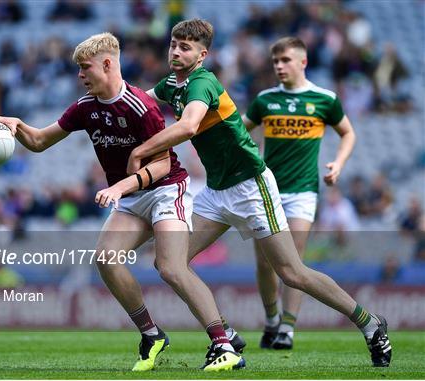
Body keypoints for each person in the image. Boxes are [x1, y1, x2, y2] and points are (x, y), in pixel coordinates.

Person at [127, 19, 391, 367]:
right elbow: (138, 102)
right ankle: (222, 334)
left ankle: (370, 325)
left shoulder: (203, 83)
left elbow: (189, 126)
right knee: (169, 263)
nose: (176, 51)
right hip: (216, 191)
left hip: (250, 186)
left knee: (292, 273)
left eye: (186, 47)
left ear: (202, 54)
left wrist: (139, 151)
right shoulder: (171, 84)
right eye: (174, 44)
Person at [0, 32, 244, 372]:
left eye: (84, 67)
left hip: (166, 190)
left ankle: (223, 343)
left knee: (170, 267)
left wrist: (120, 187)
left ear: (107, 64)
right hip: (132, 196)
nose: (79, 75)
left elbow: (163, 163)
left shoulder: (140, 106)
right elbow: (41, 141)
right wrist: (16, 125)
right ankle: (152, 335)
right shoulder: (84, 108)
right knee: (106, 259)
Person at [243, 36, 357, 350]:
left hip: (303, 191)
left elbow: (348, 132)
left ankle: (287, 329)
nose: (279, 66)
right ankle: (271, 319)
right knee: (265, 264)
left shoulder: (324, 99)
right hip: (266, 191)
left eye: (286, 61)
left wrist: (339, 163)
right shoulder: (265, 100)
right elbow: (241, 130)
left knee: (293, 263)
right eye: (275, 62)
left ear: (303, 62)